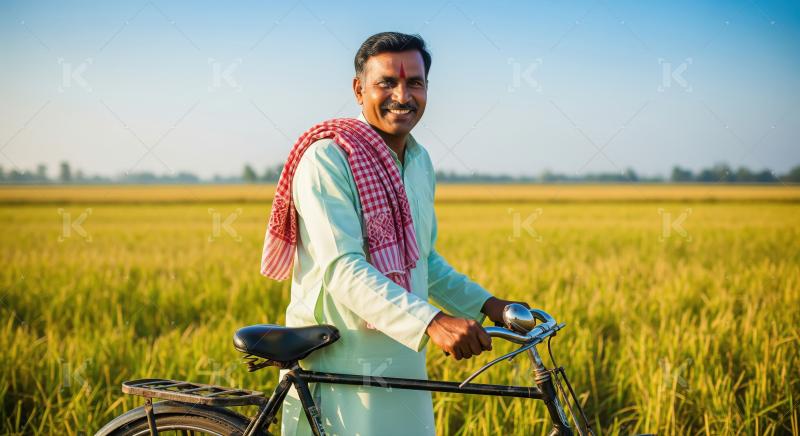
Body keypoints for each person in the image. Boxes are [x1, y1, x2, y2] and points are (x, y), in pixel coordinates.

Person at [261, 31, 531, 436]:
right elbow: (342, 269)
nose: (402, 96)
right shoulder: (328, 159)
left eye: (415, 83)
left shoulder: (419, 161)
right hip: (342, 352)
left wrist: (489, 305)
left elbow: (424, 261)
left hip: (404, 349)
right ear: (358, 89)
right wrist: (432, 322)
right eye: (386, 82)